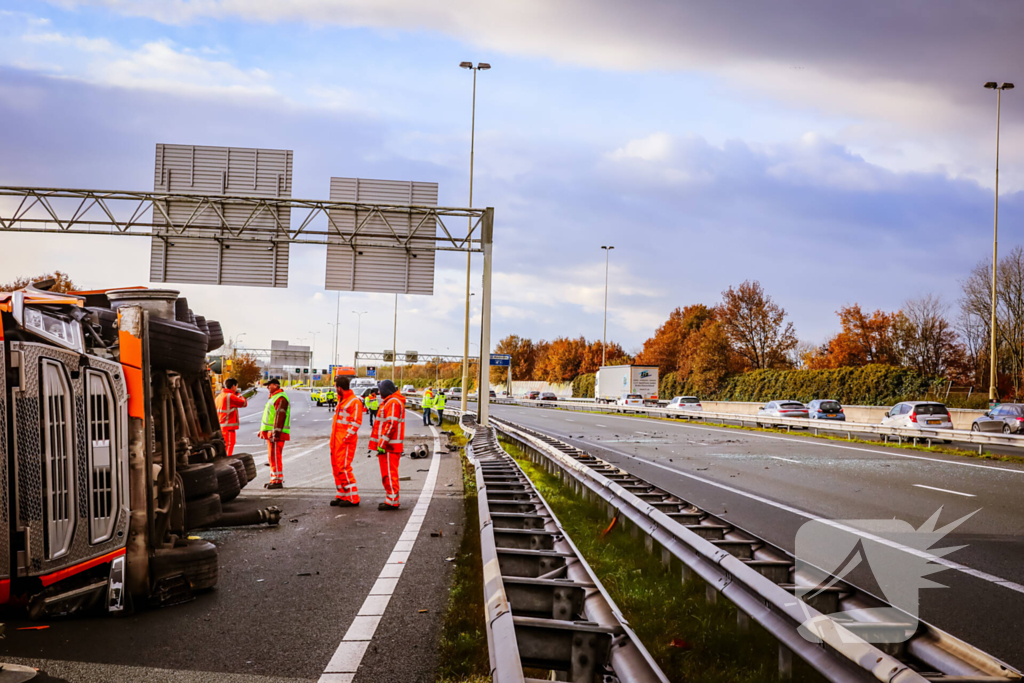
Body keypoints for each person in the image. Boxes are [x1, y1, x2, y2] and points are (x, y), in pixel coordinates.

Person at [369, 379, 405, 510]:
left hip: (389, 446)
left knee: (389, 474)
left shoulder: (393, 403)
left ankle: (392, 501)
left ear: (386, 390)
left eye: (380, 389)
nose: (378, 392)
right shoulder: (390, 402)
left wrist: (382, 443)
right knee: (387, 474)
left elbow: (391, 424)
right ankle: (391, 498)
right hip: (388, 445)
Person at [330, 375, 363, 507]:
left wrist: (345, 439)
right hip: (336, 441)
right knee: (336, 468)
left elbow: (355, 423)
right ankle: (342, 494)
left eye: (335, 386)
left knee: (343, 468)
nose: (334, 389)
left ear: (339, 387)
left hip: (344, 442)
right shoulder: (343, 400)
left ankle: (352, 497)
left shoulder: (353, 402)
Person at [259, 378, 291, 489]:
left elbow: (280, 416)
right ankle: (274, 479)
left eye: (269, 385)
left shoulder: (280, 398)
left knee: (275, 457)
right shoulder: (274, 398)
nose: (267, 387)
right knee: (272, 457)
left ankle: (277, 481)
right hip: (272, 433)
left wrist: (276, 432)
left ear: (276, 385)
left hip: (276, 434)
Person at [215, 378, 247, 457]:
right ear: (233, 386)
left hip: (221, 427)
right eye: (236, 386)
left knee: (223, 448)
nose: (236, 388)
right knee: (228, 448)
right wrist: (238, 394)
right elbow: (244, 403)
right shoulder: (230, 396)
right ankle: (226, 465)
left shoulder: (219, 397)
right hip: (228, 427)